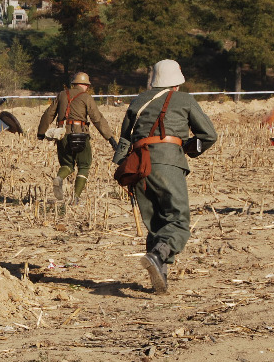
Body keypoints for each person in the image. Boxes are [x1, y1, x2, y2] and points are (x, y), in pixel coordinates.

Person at [113, 59, 217, 293]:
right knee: (178, 221)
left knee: (156, 225)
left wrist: (121, 165)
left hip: (139, 166)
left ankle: (160, 279)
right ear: (177, 82)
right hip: (168, 163)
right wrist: (189, 149)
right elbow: (209, 135)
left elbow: (124, 139)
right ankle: (159, 257)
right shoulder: (184, 99)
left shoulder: (138, 100)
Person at [36, 72, 117, 203]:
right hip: (80, 136)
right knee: (84, 166)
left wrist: (41, 133)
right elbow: (97, 119)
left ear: (74, 83)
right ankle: (76, 197)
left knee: (67, 164)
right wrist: (110, 138)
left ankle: (59, 178)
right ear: (85, 85)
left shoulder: (62, 95)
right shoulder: (86, 97)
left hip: (62, 135)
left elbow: (48, 114)